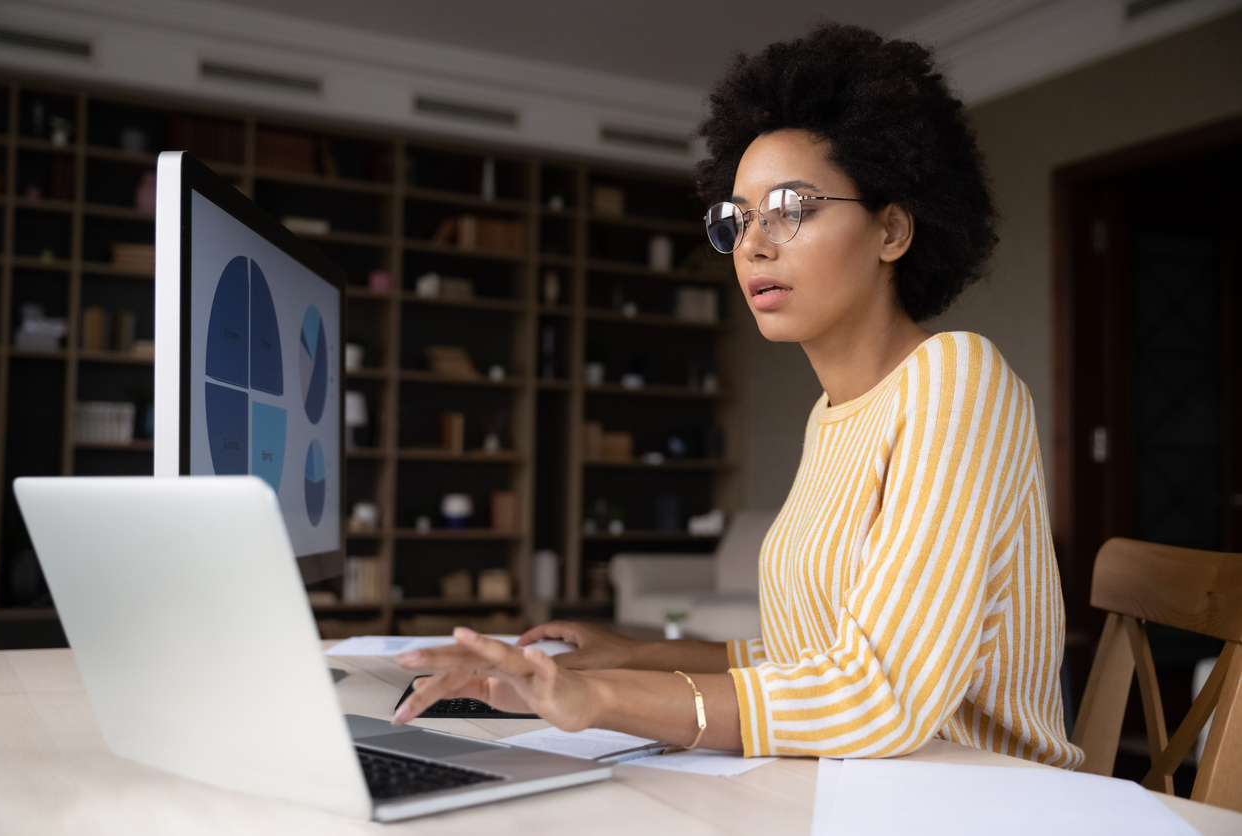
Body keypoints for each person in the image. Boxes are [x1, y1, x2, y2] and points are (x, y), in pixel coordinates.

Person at [393, 22, 1084, 768]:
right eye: (738, 218)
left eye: (791, 208)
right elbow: (808, 655)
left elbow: (877, 693)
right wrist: (626, 657)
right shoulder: (831, 416)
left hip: (980, 797)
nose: (754, 243)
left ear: (891, 228)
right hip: (853, 789)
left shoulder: (958, 379)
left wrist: (595, 701)